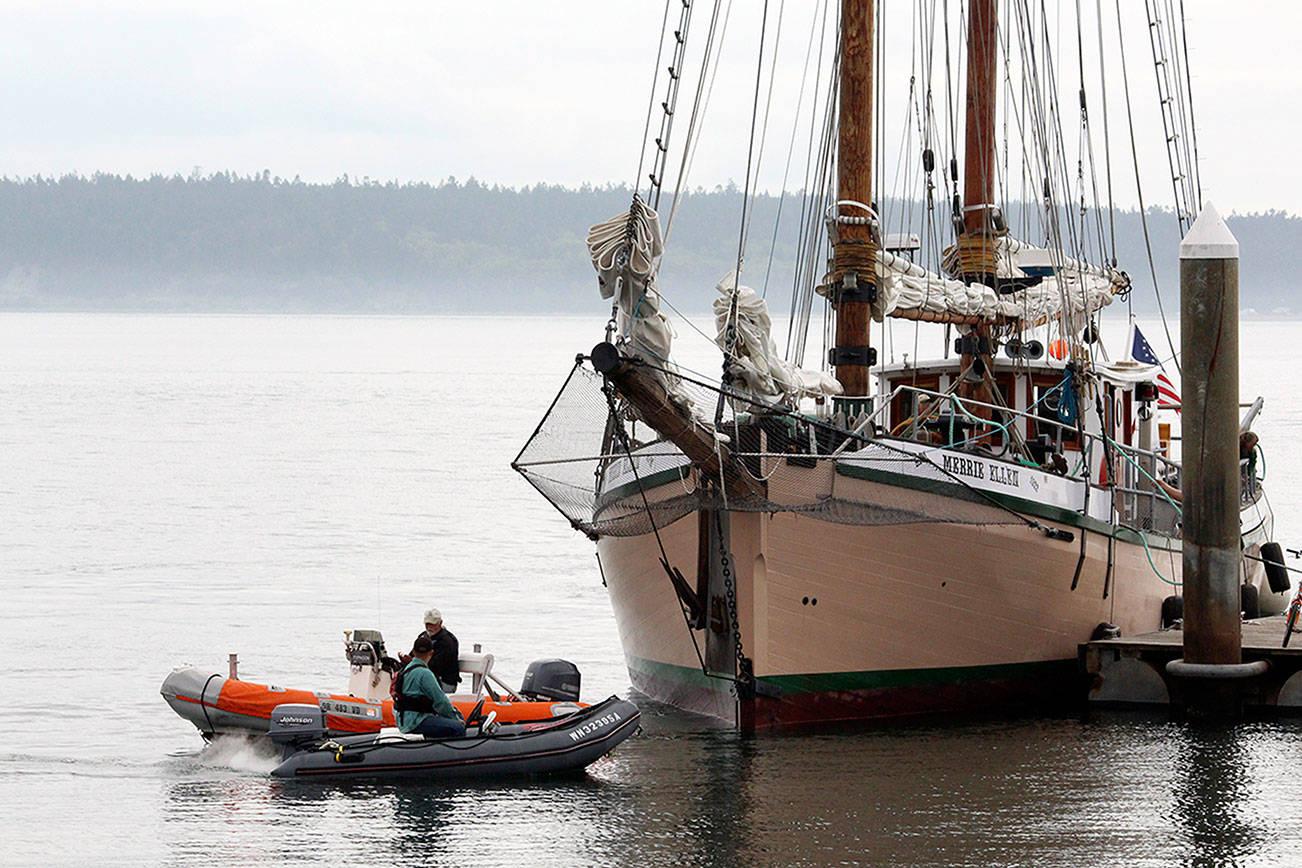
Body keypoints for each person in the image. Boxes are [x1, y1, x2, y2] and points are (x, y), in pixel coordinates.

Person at [394, 634, 466, 739]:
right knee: (458, 728)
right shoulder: (425, 674)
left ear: (413, 651)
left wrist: (454, 715)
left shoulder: (406, 669)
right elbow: (440, 701)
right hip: (416, 722)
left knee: (455, 712)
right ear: (431, 653)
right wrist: (456, 719)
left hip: (404, 720)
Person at [399, 607, 461, 693]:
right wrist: (404, 662)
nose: (429, 627)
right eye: (427, 624)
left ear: (440, 623)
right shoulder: (423, 636)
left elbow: (435, 666)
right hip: (424, 676)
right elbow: (414, 654)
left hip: (444, 681)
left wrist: (412, 663)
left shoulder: (447, 642)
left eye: (432, 624)